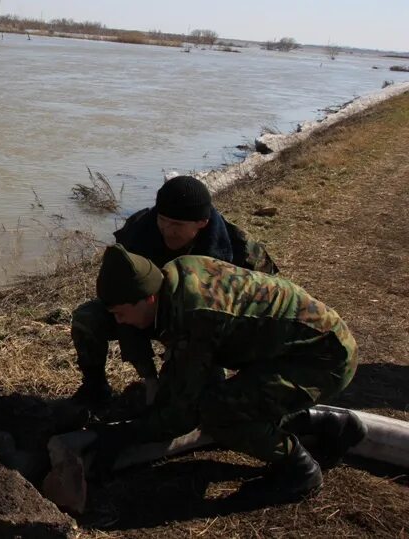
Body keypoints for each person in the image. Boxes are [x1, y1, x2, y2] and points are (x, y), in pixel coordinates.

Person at [85, 245, 362, 501]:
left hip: (323, 361)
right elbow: (183, 374)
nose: (120, 323)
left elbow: (183, 416)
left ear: (149, 298)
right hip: (301, 347)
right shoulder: (175, 275)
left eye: (121, 314)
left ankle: (300, 470)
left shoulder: (196, 315)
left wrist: (122, 436)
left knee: (216, 413)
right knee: (229, 398)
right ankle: (328, 424)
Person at [71, 175, 278, 404]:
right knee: (88, 318)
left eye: (177, 225)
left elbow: (268, 310)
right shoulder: (138, 232)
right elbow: (124, 302)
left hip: (208, 325)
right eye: (162, 220)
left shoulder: (241, 251)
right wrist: (148, 375)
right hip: (149, 313)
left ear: (202, 223)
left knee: (201, 398)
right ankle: (95, 390)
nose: (167, 230)